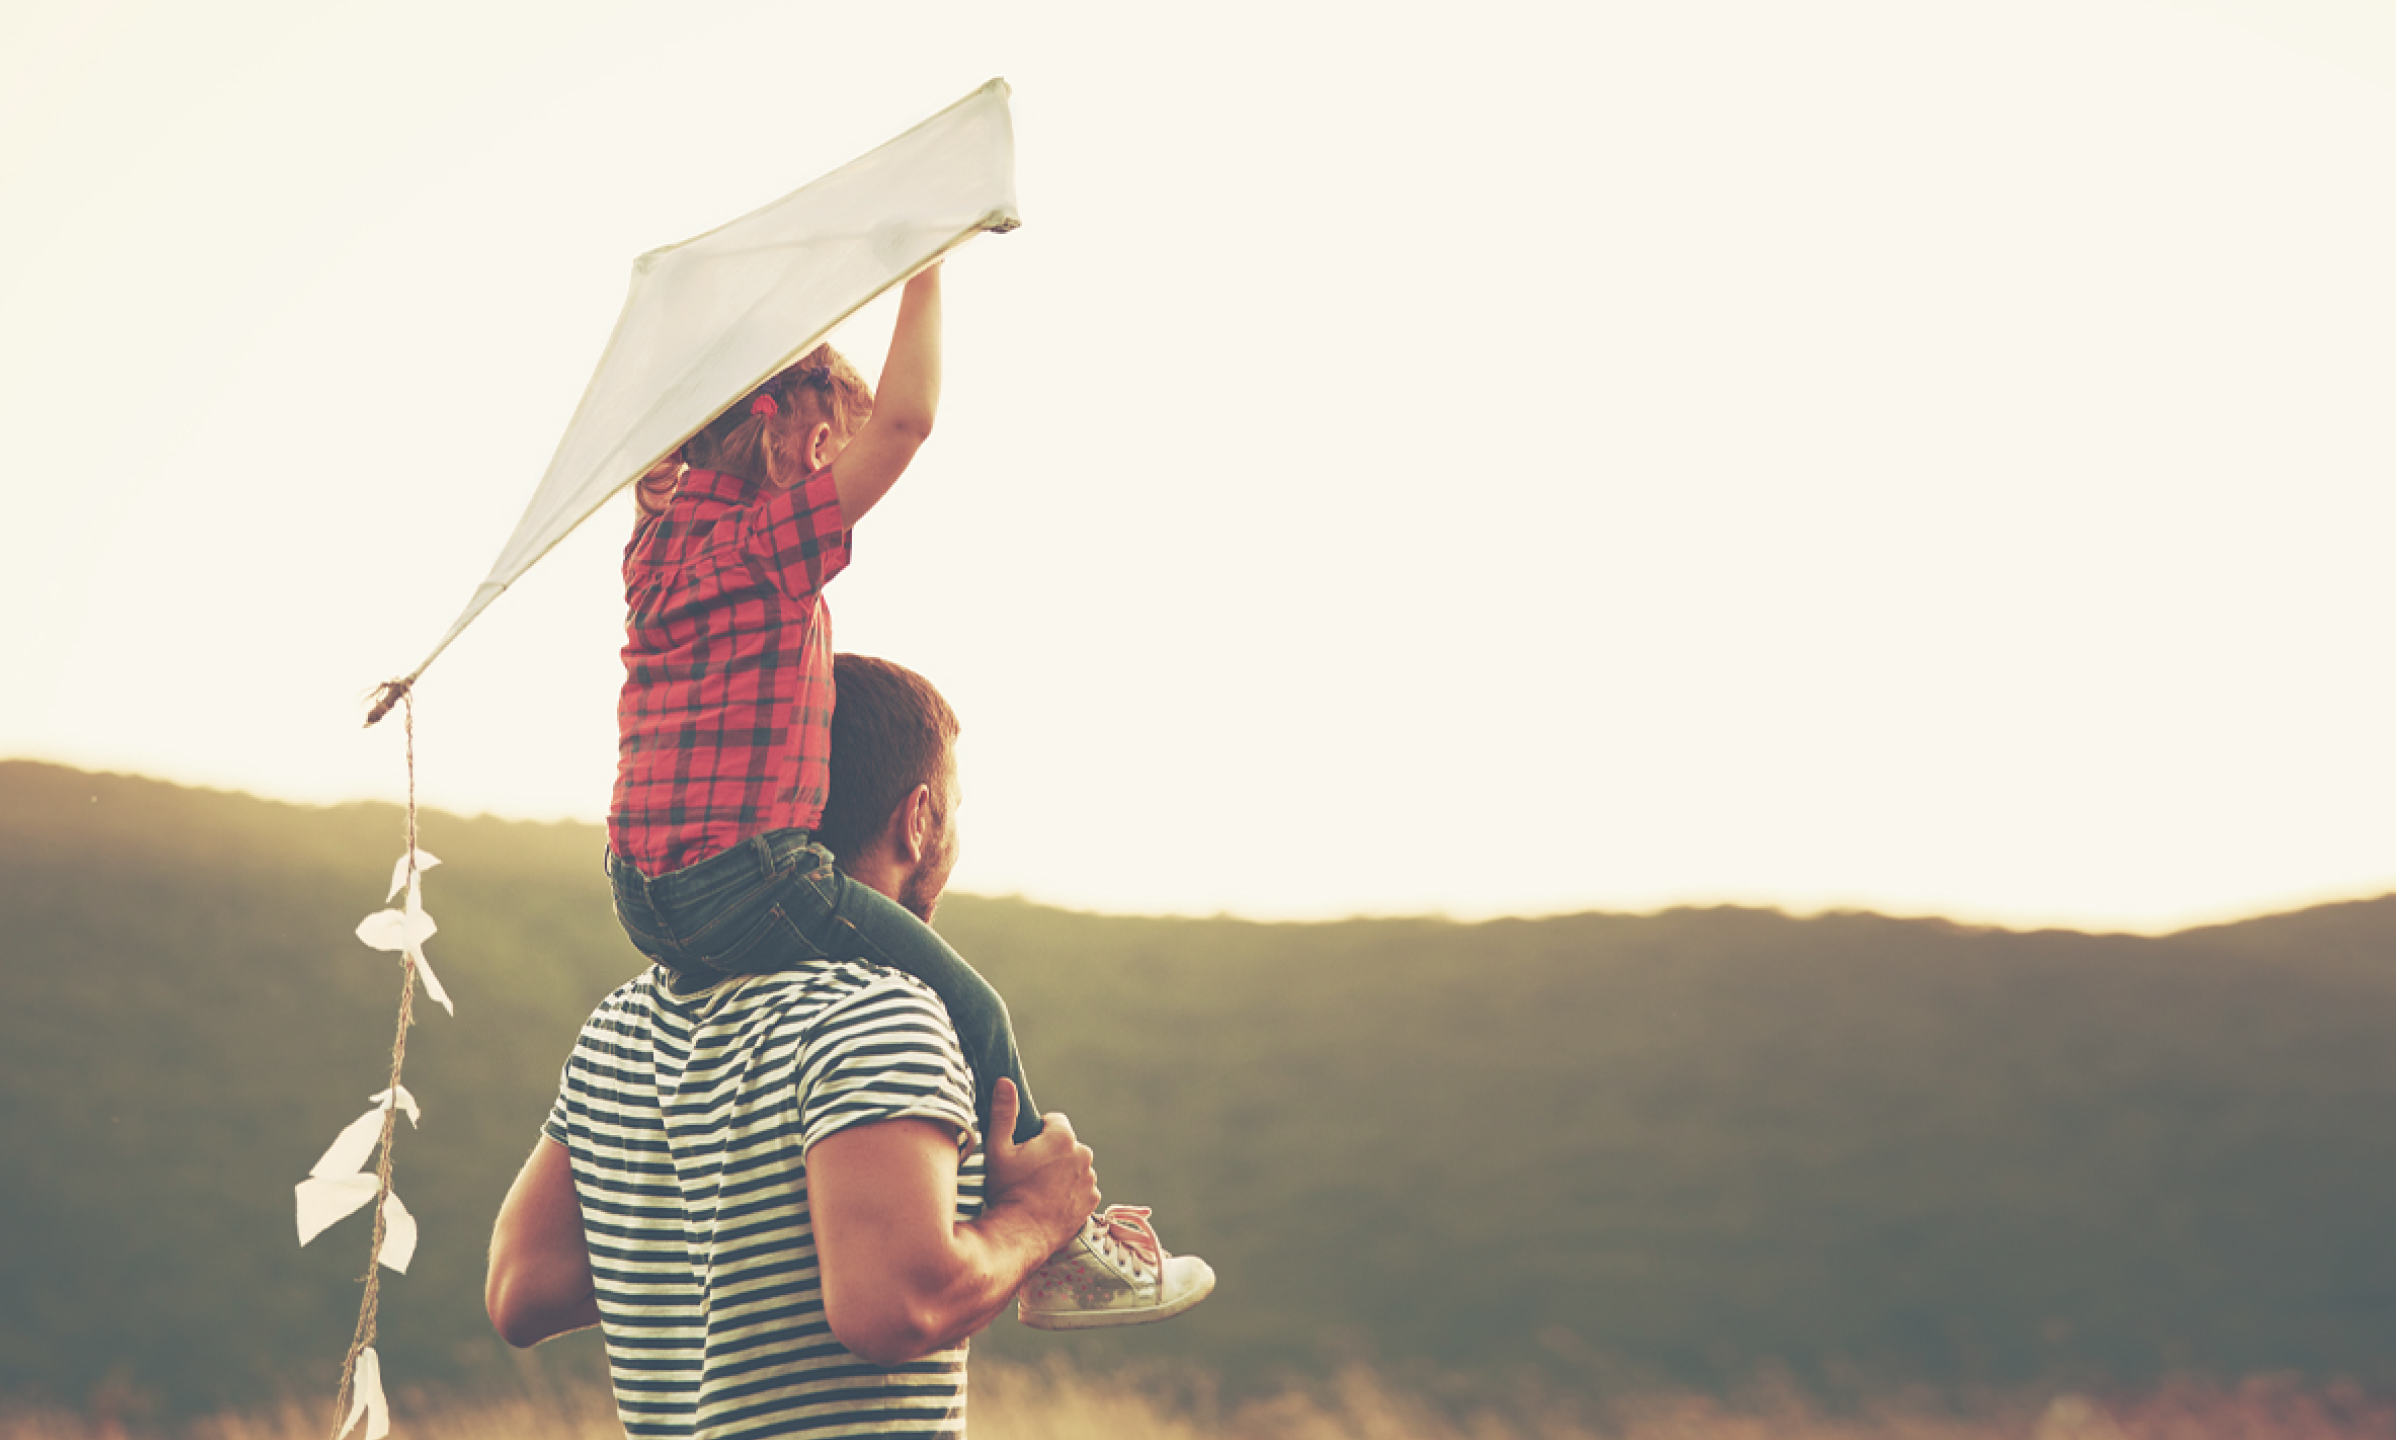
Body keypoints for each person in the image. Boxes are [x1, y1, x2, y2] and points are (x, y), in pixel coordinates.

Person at [599, 263, 1205, 1324]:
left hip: (640, 893)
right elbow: (909, 423)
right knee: (972, 1007)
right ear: (788, 433)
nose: (842, 464)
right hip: (746, 879)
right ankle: (1054, 1245)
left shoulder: (655, 542)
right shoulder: (761, 544)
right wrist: (920, 267)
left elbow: (745, 433)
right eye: (829, 444)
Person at [486, 654, 1212, 1436]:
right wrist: (1037, 1220)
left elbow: (524, 1290)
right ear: (920, 817)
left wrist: (740, 1239)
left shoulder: (621, 1027)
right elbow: (896, 1307)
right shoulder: (875, 1008)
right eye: (957, 811)